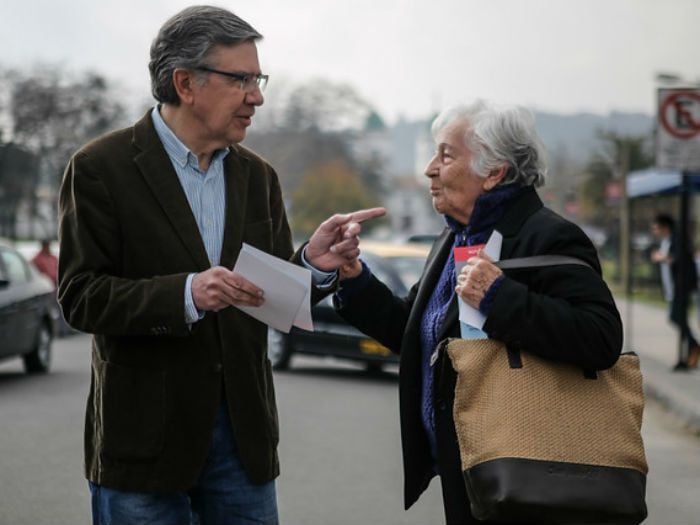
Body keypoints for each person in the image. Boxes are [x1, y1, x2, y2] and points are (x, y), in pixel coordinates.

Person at [57, 6, 382, 525]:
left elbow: (269, 298)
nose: (257, 96)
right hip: (144, 444)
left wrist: (312, 266)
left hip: (243, 444)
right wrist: (187, 294)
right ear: (186, 83)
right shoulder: (100, 169)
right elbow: (80, 296)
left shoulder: (259, 178)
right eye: (242, 80)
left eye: (258, 79)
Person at [334, 100, 623, 524]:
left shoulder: (549, 235)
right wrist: (354, 277)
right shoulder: (453, 239)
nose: (430, 168)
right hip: (468, 470)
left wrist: (498, 296)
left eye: (446, 155)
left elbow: (600, 338)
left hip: (528, 471)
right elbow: (413, 331)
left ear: (494, 172)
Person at [650, 213, 700, 369]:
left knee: (676, 317)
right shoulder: (667, 241)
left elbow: (679, 260)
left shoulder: (677, 239)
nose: (654, 231)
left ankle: (694, 346)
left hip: (681, 287)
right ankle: (692, 348)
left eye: (656, 228)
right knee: (677, 318)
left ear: (665, 227)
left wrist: (661, 257)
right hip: (673, 287)